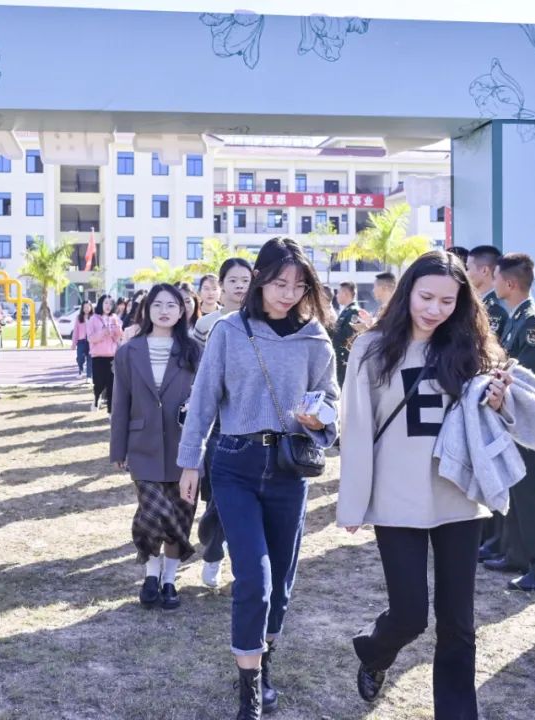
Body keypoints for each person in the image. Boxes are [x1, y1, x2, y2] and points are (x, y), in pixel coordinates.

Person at [336, 251, 510, 718]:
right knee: (410, 615)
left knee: (458, 623)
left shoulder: (472, 349)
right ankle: (375, 651)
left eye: (447, 301)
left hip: (457, 497)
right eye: (426, 297)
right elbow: (355, 430)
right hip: (396, 497)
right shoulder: (370, 348)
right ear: (407, 291)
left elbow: (490, 423)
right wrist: (352, 503)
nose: (435, 309)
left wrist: (497, 401)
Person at [178, 238, 338, 719]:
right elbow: (204, 397)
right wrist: (190, 461)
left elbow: (331, 402)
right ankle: (249, 691)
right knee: (255, 579)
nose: (287, 293)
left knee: (283, 585)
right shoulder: (230, 331)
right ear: (260, 279)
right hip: (234, 464)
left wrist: (319, 419)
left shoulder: (315, 338)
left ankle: (264, 664)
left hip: (290, 471)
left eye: (298, 284)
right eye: (277, 282)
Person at [111, 284, 201, 610]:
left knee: (179, 517)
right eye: (157, 304)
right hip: (142, 446)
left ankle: (169, 580)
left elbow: (206, 400)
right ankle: (151, 572)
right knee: (152, 514)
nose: (164, 310)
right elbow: (120, 403)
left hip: (185, 449)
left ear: (182, 310)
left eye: (172, 305)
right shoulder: (129, 351)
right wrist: (117, 450)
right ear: (147, 309)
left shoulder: (195, 350)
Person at [485, 253, 535, 592]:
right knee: (518, 489)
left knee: (534, 495)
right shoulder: (517, 318)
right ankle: (518, 556)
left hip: (529, 420)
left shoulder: (533, 322)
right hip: (512, 418)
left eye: (498, 279)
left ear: (510, 283)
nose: (494, 284)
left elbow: (522, 373)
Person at [189, 257, 253, 589]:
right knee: (218, 497)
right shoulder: (207, 325)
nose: (240, 286)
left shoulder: (263, 323)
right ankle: (213, 552)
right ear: (221, 286)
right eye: (233, 280)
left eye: (246, 279)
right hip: (217, 424)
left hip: (251, 422)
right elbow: (196, 375)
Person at [465, 245, 509, 562]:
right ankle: (489, 538)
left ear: (484, 271)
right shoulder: (482, 303)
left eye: (469, 266)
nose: (466, 272)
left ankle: (496, 539)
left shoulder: (496, 307)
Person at [86, 294, 123, 413]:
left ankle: (110, 412)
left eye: (110, 304)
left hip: (112, 357)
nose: (108, 306)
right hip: (98, 357)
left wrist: (117, 329)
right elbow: (90, 338)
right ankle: (96, 398)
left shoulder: (115, 318)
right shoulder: (93, 319)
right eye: (106, 303)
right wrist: (102, 333)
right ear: (101, 304)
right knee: (98, 383)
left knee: (111, 385)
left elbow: (119, 337)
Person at [332, 281, 362, 387]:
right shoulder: (346, 311)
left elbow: (349, 336)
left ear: (345, 293)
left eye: (338, 292)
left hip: (345, 358)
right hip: (340, 357)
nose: (336, 295)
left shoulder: (353, 311)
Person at [71, 300, 94, 378]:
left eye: (88, 307)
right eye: (85, 307)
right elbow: (75, 331)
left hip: (91, 341)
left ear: (91, 307)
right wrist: (73, 344)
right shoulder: (79, 317)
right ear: (82, 308)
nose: (87, 309)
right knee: (80, 357)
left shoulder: (94, 317)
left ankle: (88, 377)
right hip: (81, 341)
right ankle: (81, 368)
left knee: (90, 359)